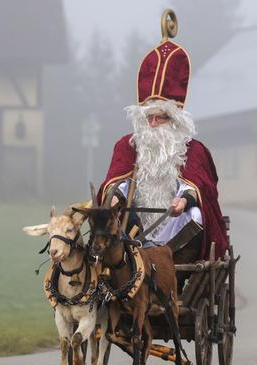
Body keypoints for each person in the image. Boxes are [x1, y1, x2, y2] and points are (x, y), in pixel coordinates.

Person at [97, 36, 228, 267]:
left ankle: (170, 268)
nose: (154, 123)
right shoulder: (128, 146)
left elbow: (198, 186)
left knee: (196, 217)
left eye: (161, 117)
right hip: (134, 228)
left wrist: (184, 201)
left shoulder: (193, 150)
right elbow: (119, 181)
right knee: (110, 221)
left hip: (174, 227)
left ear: (175, 120)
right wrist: (115, 196)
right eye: (150, 118)